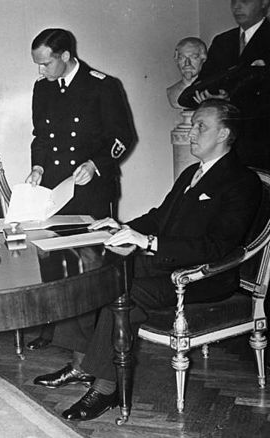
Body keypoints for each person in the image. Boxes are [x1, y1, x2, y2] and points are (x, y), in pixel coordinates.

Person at [32, 99, 262, 422]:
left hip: (205, 277)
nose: (192, 133)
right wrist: (125, 227)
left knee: (122, 289)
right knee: (94, 268)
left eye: (201, 127)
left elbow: (219, 246)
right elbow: (159, 217)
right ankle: (82, 363)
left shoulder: (243, 182)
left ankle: (105, 386)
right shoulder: (190, 174)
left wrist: (150, 243)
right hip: (169, 263)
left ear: (224, 133)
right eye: (193, 125)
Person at [25, 27, 136, 350]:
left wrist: (95, 164)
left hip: (91, 187)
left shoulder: (103, 86)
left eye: (46, 64)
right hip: (54, 188)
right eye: (37, 64)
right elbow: (41, 137)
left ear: (66, 57)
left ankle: (91, 341)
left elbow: (122, 137)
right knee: (53, 260)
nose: (40, 71)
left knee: (89, 265)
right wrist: (38, 167)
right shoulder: (42, 89)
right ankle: (55, 327)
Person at [179, 0, 270, 168]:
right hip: (223, 146)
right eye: (234, 1)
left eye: (245, 1)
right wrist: (211, 98)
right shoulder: (223, 41)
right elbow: (204, 82)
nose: (237, 6)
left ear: (264, 3)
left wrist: (230, 98)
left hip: (262, 140)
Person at [166, 37, 208, 109]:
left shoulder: (210, 89)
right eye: (182, 58)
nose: (187, 63)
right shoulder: (171, 91)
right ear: (177, 61)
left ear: (203, 59)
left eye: (193, 57)